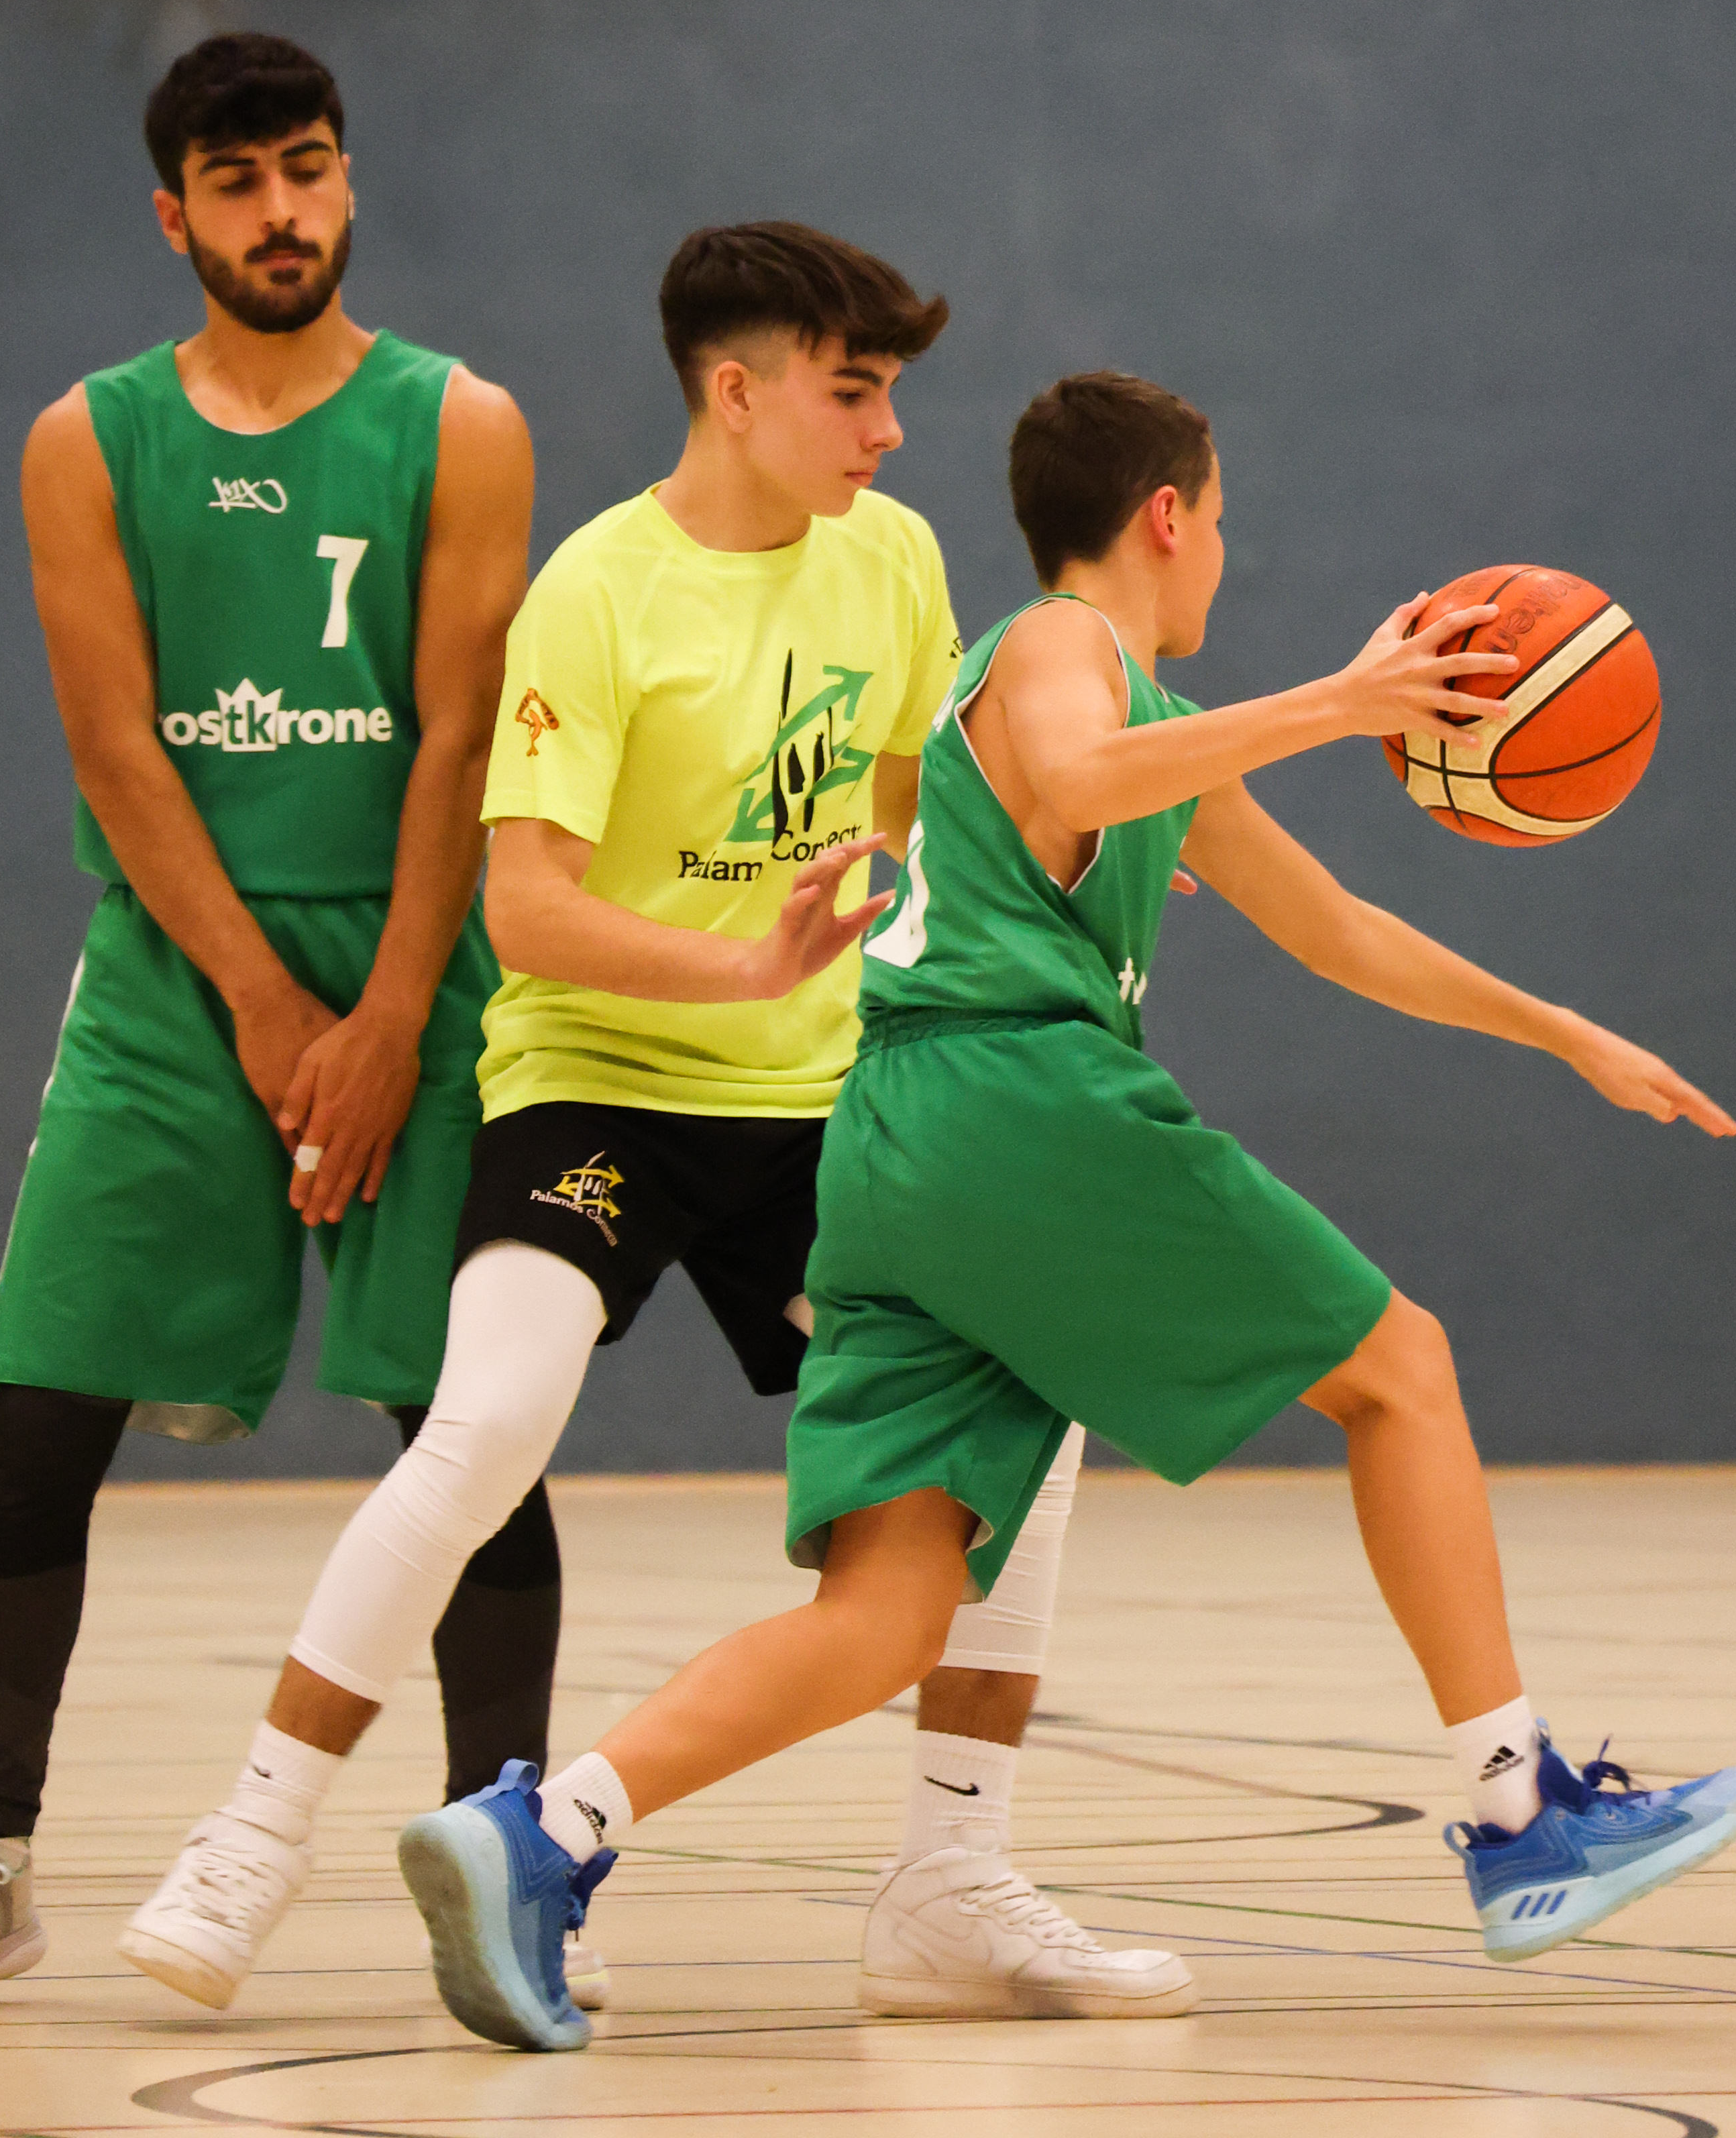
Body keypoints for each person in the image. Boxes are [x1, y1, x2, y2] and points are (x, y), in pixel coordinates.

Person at [394, 368, 1736, 2053]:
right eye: (1221, 520)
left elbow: (1335, 929)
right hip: (1014, 1094)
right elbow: (1081, 765)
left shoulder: (1148, 723)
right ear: (1164, 516)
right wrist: (1338, 700)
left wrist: (1561, 1033)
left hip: (893, 1146)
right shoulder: (1061, 646)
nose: (1224, 555)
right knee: (1400, 1367)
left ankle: (543, 1830)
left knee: (885, 1614)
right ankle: (1516, 1808)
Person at [123, 225, 1193, 2027]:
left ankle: (950, 1873)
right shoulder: (598, 594)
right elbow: (528, 910)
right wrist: (743, 961)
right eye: (854, 393)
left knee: (1034, 1390)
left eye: (891, 396)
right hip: (601, 1085)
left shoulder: (893, 561)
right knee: (486, 1424)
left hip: (823, 1109)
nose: (888, 433)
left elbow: (904, 825)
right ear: (737, 393)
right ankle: (250, 1834)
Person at [0, 33, 535, 2011]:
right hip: (176, 971)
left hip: (413, 960)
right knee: (41, 1413)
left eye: (306, 166)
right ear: (173, 215)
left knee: (467, 1433)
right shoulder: (87, 437)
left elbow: (459, 738)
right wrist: (264, 1001)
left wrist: (386, 1015)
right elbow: (115, 747)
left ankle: (516, 1876)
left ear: (348, 177)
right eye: (237, 181)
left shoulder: (461, 423)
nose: (280, 211)